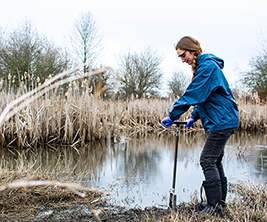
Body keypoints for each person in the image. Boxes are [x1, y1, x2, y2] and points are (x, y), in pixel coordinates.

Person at [161, 36, 239, 215]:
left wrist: (173, 115)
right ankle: (219, 203)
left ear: (193, 51)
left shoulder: (207, 67)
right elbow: (204, 97)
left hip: (222, 121)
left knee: (207, 160)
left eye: (183, 55)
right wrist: (194, 116)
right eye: (179, 57)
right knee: (215, 160)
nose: (182, 60)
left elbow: (193, 93)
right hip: (221, 120)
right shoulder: (204, 67)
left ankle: (214, 207)